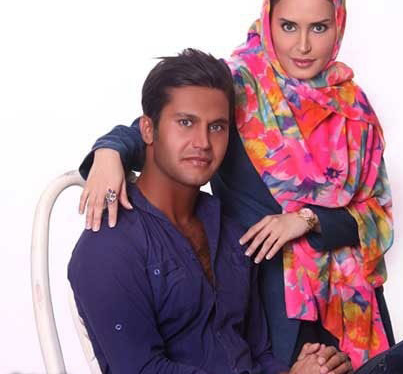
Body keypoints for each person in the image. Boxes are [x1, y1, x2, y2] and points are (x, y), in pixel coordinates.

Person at [77, 0, 393, 369]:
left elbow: (377, 215)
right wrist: (109, 150)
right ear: (268, 20)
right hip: (267, 305)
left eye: (319, 27)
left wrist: (307, 219)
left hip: (349, 301)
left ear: (339, 24)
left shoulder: (353, 109)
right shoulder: (240, 84)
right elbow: (168, 132)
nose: (302, 45)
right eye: (288, 26)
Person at [69, 48, 353, 374]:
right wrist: (108, 150)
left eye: (217, 127)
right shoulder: (108, 246)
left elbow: (258, 354)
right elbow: (142, 370)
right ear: (147, 130)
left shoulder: (231, 232)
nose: (203, 142)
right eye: (185, 123)